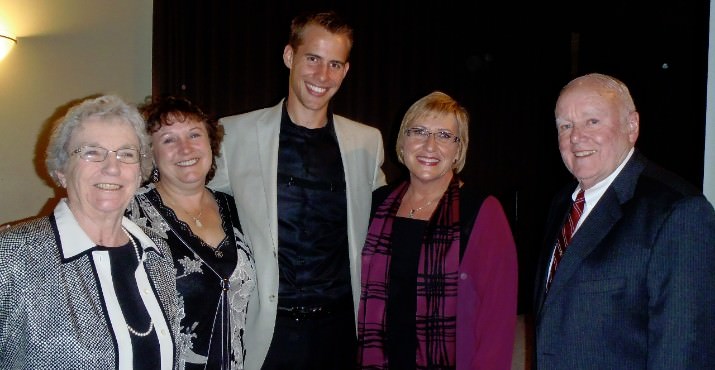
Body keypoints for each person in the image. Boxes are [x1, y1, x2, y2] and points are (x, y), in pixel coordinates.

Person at [208, 10, 386, 370]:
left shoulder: (367, 143)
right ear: (290, 56)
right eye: (313, 59)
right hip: (269, 329)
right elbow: (186, 202)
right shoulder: (234, 135)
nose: (322, 75)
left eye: (335, 64)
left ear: (346, 71)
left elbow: (386, 224)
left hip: (340, 330)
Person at [532, 73, 715, 369]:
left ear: (632, 126)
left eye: (592, 121)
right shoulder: (562, 203)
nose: (576, 137)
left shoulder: (679, 212)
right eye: (565, 126)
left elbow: (685, 351)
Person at [0, 95, 180, 369]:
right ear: (61, 169)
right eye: (91, 152)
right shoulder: (14, 255)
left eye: (126, 154)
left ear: (139, 171)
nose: (112, 167)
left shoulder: (156, 251)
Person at [356, 91, 519, 369]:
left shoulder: (482, 211)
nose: (430, 145)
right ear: (402, 142)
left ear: (458, 149)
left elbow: (498, 318)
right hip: (380, 359)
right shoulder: (376, 203)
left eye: (444, 136)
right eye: (418, 131)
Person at [126, 96, 256, 370]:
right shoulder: (128, 213)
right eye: (169, 140)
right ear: (150, 154)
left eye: (194, 135)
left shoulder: (238, 207)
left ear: (211, 143)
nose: (185, 149)